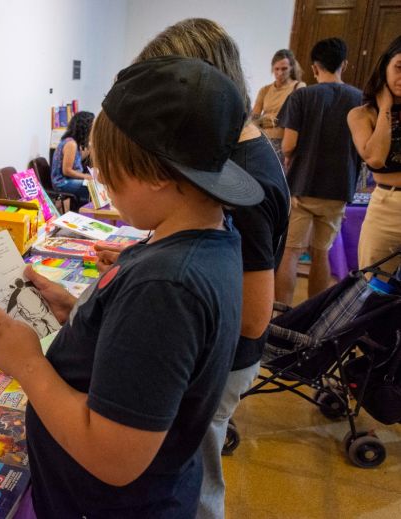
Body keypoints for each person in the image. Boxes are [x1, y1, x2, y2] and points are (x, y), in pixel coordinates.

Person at [0, 56, 263, 517]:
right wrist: (79, 311)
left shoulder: (168, 285)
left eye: (109, 170)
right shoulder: (209, 238)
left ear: (159, 174)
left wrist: (27, 364)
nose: (101, 180)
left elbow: (114, 456)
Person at [126, 18, 290, 519]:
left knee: (193, 479)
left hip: (222, 362)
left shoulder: (246, 177)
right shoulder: (235, 152)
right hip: (212, 356)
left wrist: (169, 276)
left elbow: (253, 316)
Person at [274, 37, 363, 305]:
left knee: (290, 252)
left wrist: (290, 156)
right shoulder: (360, 99)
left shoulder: (302, 96)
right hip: (338, 187)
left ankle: (284, 317)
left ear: (314, 68)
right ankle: (314, 315)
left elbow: (288, 145)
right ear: (344, 64)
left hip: (302, 184)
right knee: (321, 252)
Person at [348, 35, 401, 278]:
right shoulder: (361, 114)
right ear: (385, 66)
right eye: (399, 68)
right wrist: (386, 108)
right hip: (387, 207)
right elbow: (376, 159)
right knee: (374, 286)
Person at [252, 49, 306, 163]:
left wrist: (268, 120)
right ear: (272, 69)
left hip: (284, 142)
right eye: (277, 69)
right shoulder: (265, 90)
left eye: (284, 69)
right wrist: (265, 120)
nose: (280, 73)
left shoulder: (298, 87)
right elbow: (254, 118)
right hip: (263, 140)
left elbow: (297, 119)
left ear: (291, 68)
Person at [50, 111, 94, 207]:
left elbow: (75, 160)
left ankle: (81, 210)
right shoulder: (71, 143)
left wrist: (89, 148)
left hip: (66, 180)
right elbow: (67, 171)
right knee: (92, 187)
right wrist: (86, 176)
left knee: (93, 184)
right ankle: (83, 211)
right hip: (62, 183)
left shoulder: (72, 142)